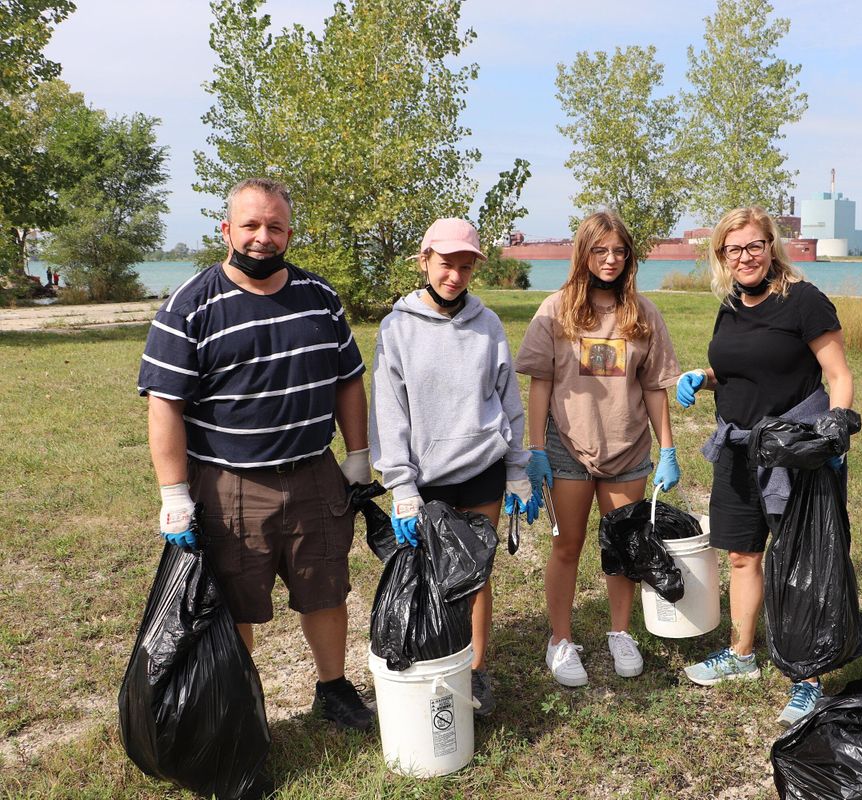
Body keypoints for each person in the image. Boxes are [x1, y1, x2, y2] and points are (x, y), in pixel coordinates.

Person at [138, 177, 375, 731]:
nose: (262, 237)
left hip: (315, 474)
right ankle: (243, 703)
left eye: (274, 226)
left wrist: (358, 455)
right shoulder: (190, 306)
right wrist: (174, 495)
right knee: (235, 600)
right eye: (250, 225)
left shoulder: (320, 297)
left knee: (326, 587)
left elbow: (348, 381)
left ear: (290, 231)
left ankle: (333, 688)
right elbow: (164, 405)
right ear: (226, 229)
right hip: (230, 483)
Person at [675, 206, 854, 726]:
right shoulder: (731, 304)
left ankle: (808, 677)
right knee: (741, 556)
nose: (744, 257)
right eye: (733, 250)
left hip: (793, 453)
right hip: (736, 449)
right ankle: (742, 655)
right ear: (721, 258)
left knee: (800, 562)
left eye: (753, 246)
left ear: (771, 246)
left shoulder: (804, 301)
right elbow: (735, 367)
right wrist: (703, 378)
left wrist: (835, 427)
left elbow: (838, 373)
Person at [368, 218, 535, 717]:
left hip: (482, 468)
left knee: (476, 576)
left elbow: (509, 401)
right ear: (424, 261)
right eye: (446, 264)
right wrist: (400, 483)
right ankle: (429, 661)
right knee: (427, 576)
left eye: (465, 267)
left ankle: (475, 671)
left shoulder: (488, 325)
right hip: (425, 479)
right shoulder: (396, 328)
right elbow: (389, 409)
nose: (455, 276)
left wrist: (517, 469)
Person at [515, 210, 681, 688]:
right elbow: (541, 384)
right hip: (567, 448)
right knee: (567, 546)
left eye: (619, 251)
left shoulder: (642, 313)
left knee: (623, 547)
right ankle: (561, 640)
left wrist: (667, 449)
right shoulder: (556, 308)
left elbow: (653, 389)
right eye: (600, 250)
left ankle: (620, 633)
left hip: (626, 448)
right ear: (583, 253)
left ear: (629, 257)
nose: (610, 260)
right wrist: (536, 448)